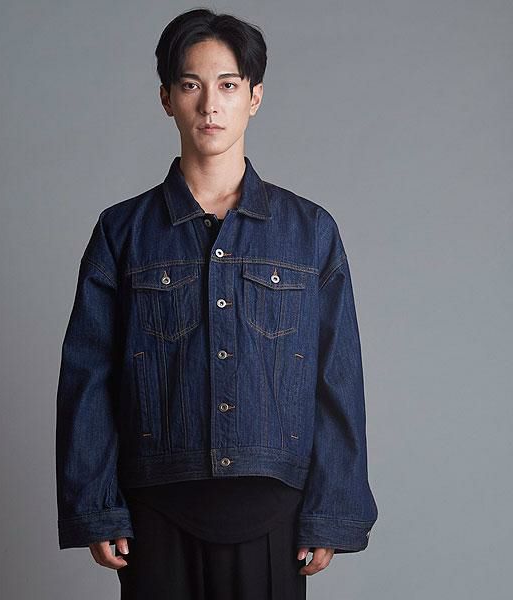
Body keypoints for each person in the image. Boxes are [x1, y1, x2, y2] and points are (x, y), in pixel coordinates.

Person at [55, 8, 378, 599]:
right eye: (190, 85)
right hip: (155, 511)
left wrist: (332, 511)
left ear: (255, 97)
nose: (210, 105)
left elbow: (338, 378)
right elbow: (89, 376)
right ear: (166, 98)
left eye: (228, 85)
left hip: (276, 514)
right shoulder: (122, 233)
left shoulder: (310, 233)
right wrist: (96, 506)